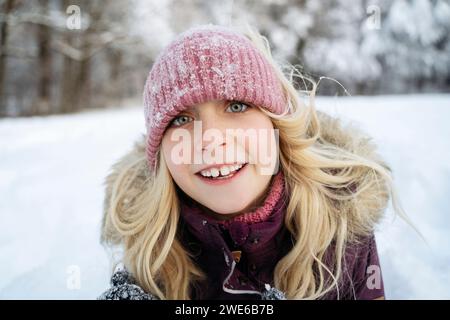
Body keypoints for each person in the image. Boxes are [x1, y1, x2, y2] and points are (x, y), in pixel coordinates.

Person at [98, 24, 399, 300]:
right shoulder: (151, 244)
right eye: (181, 118)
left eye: (237, 105)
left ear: (275, 125)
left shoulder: (344, 224)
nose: (210, 139)